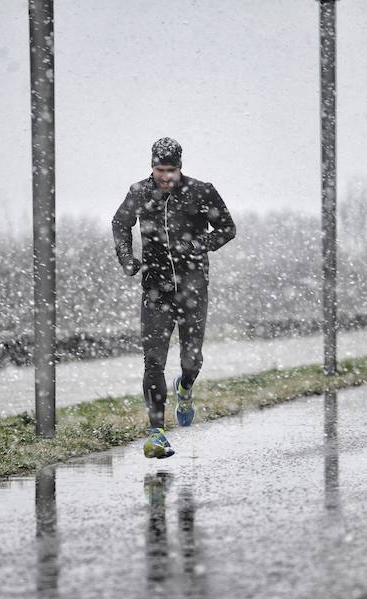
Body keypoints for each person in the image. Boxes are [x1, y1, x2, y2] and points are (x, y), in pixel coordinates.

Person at [112, 137, 236, 458]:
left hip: (192, 289)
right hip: (156, 289)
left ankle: (186, 386)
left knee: (190, 360)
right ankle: (157, 432)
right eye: (159, 170)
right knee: (153, 361)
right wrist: (127, 259)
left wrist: (197, 246)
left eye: (170, 170)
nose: (164, 177)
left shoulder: (200, 191)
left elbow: (227, 229)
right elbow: (120, 223)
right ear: (151, 167)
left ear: (180, 168)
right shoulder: (139, 192)